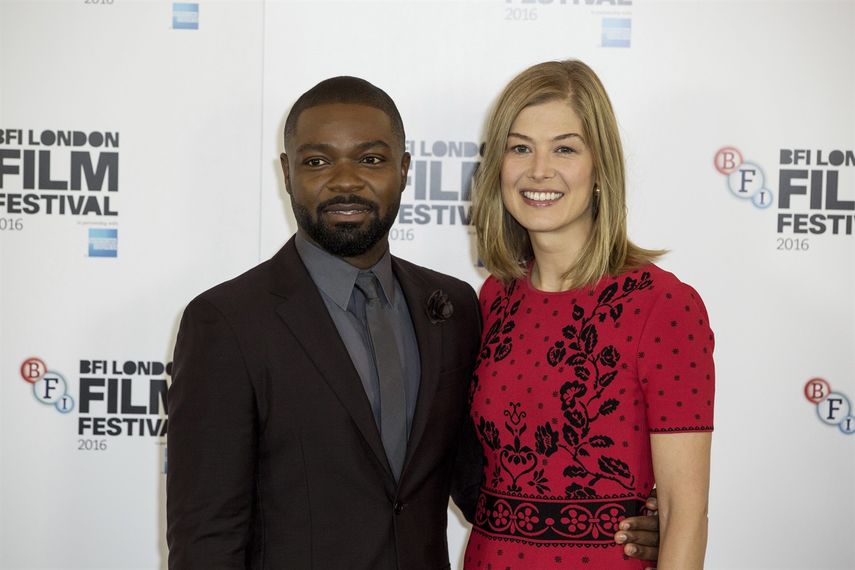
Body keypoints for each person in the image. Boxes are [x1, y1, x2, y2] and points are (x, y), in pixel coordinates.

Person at [166, 75, 661, 569]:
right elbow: (205, 538)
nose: (345, 180)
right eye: (317, 161)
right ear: (287, 172)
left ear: (404, 170)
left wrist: (621, 522)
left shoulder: (453, 308)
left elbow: (486, 486)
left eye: (371, 159)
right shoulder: (227, 323)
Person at [466, 60, 714, 569]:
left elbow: (683, 515)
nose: (539, 170)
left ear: (600, 166)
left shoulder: (662, 306)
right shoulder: (494, 299)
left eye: (564, 148)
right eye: (520, 148)